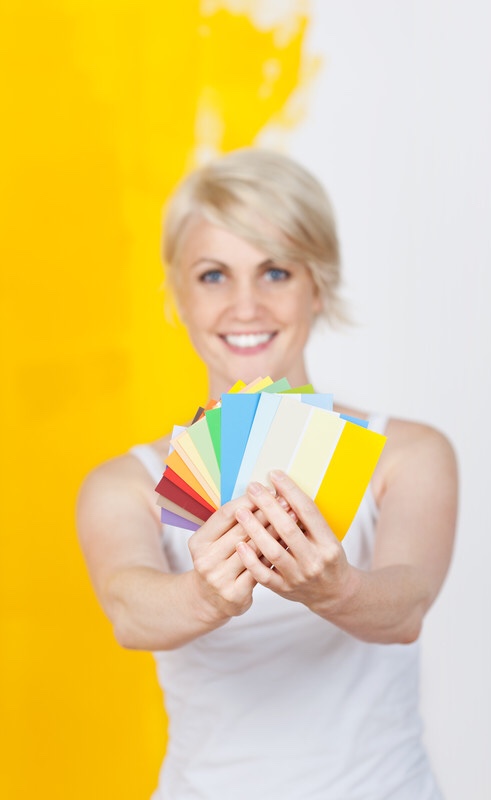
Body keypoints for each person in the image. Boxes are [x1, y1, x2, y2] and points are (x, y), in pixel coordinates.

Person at [77, 148, 458, 799]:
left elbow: (405, 607)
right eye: (213, 275)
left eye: (275, 271)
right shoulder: (125, 484)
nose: (245, 305)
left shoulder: (407, 454)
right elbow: (129, 614)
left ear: (318, 284)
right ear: (178, 293)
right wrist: (206, 595)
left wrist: (335, 588)